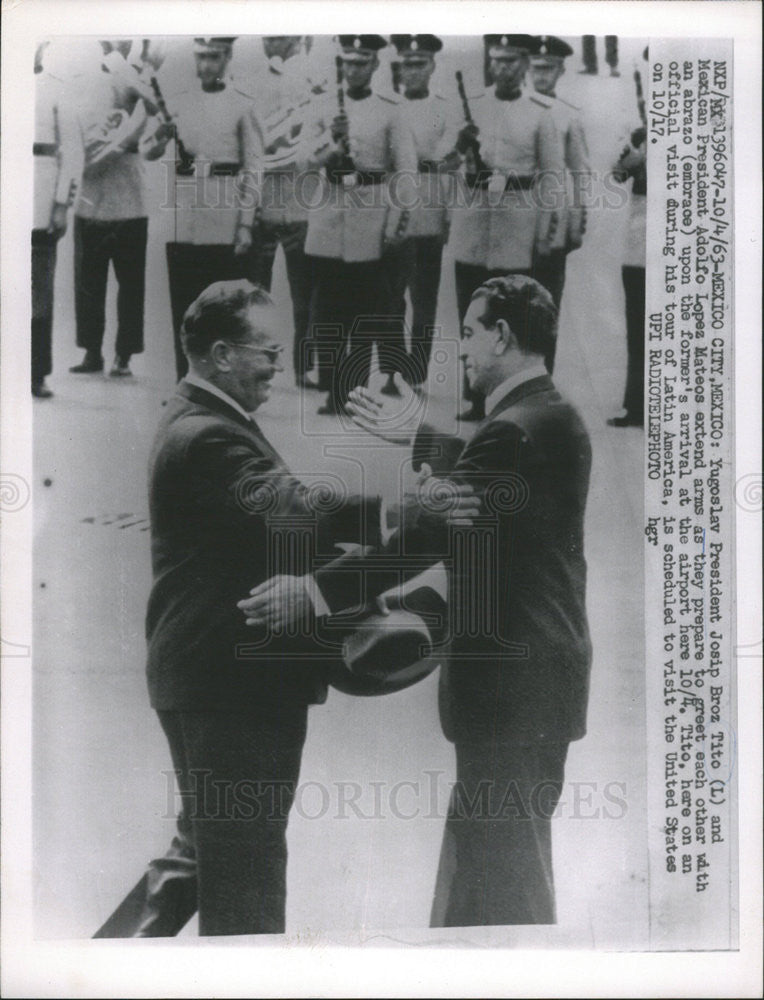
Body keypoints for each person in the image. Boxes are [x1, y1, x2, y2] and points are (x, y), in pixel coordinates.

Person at [93, 279, 475, 938]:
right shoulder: (208, 435)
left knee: (205, 855)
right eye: (266, 352)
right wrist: (405, 509)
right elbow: (296, 509)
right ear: (218, 353)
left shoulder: (201, 418)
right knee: (246, 873)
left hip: (211, 675)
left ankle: (98, 967)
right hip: (233, 685)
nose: (279, 365)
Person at [244, 274, 593, 928]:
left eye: (468, 332)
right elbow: (485, 477)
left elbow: (429, 533)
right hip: (540, 677)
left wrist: (316, 591)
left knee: (505, 877)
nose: (460, 348)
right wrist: (418, 435)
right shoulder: (549, 414)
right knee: (492, 868)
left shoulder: (514, 429)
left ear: (502, 336)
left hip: (512, 689)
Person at [449, 34, 565, 420]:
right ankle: (475, 396)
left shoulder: (539, 112)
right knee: (470, 313)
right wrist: (457, 145)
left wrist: (548, 233)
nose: (504, 68)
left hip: (517, 225)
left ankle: (513, 397)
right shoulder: (471, 106)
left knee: (512, 318)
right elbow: (440, 161)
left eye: (512, 61)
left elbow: (551, 178)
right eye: (497, 60)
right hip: (473, 222)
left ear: (525, 65)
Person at [302, 34, 417, 415]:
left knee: (365, 313)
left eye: (362, 62)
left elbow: (405, 171)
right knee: (326, 309)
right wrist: (331, 141)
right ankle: (332, 389)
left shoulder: (391, 109)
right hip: (330, 216)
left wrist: (395, 223)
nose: (354, 69)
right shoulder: (322, 106)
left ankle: (353, 391)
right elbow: (305, 159)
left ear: (375, 66)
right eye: (348, 62)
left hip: (371, 214)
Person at [143, 37, 265, 380]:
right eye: (201, 57)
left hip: (223, 218)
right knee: (184, 308)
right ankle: (187, 383)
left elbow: (254, 167)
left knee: (220, 311)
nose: (206, 65)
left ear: (227, 58)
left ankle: (221, 386)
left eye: (213, 57)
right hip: (183, 218)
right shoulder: (180, 101)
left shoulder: (243, 104)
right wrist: (160, 136)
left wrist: (245, 223)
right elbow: (148, 150)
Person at [69, 39, 163, 378]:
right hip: (92, 194)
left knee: (130, 283)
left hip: (130, 197)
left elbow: (155, 111)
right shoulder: (83, 80)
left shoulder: (141, 79)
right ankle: (92, 351)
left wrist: (135, 74)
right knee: (88, 282)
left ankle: (124, 354)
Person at [247, 36, 326, 389]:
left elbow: (318, 139)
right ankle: (254, 364)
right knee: (255, 294)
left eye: (280, 36)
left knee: (305, 298)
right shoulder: (252, 80)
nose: (271, 43)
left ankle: (303, 368)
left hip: (301, 202)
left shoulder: (316, 79)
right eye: (267, 37)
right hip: (263, 204)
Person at [389, 34, 462, 387]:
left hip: (429, 214)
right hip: (390, 214)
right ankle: (391, 367)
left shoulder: (445, 109)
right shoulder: (389, 106)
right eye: (407, 64)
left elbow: (449, 161)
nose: (412, 71)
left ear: (433, 66)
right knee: (389, 296)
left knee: (423, 298)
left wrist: (448, 216)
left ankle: (416, 370)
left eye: (420, 64)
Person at [528, 35, 591, 370]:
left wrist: (578, 221)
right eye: (536, 68)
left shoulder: (567, 115)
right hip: (516, 217)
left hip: (552, 221)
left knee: (546, 300)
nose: (541, 76)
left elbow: (581, 172)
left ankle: (543, 376)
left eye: (548, 69)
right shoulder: (513, 108)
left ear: (560, 70)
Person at [32, 42, 83, 398]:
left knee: (38, 293)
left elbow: (74, 152)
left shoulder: (55, 87)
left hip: (38, 200)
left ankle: (35, 372)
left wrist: (62, 203)